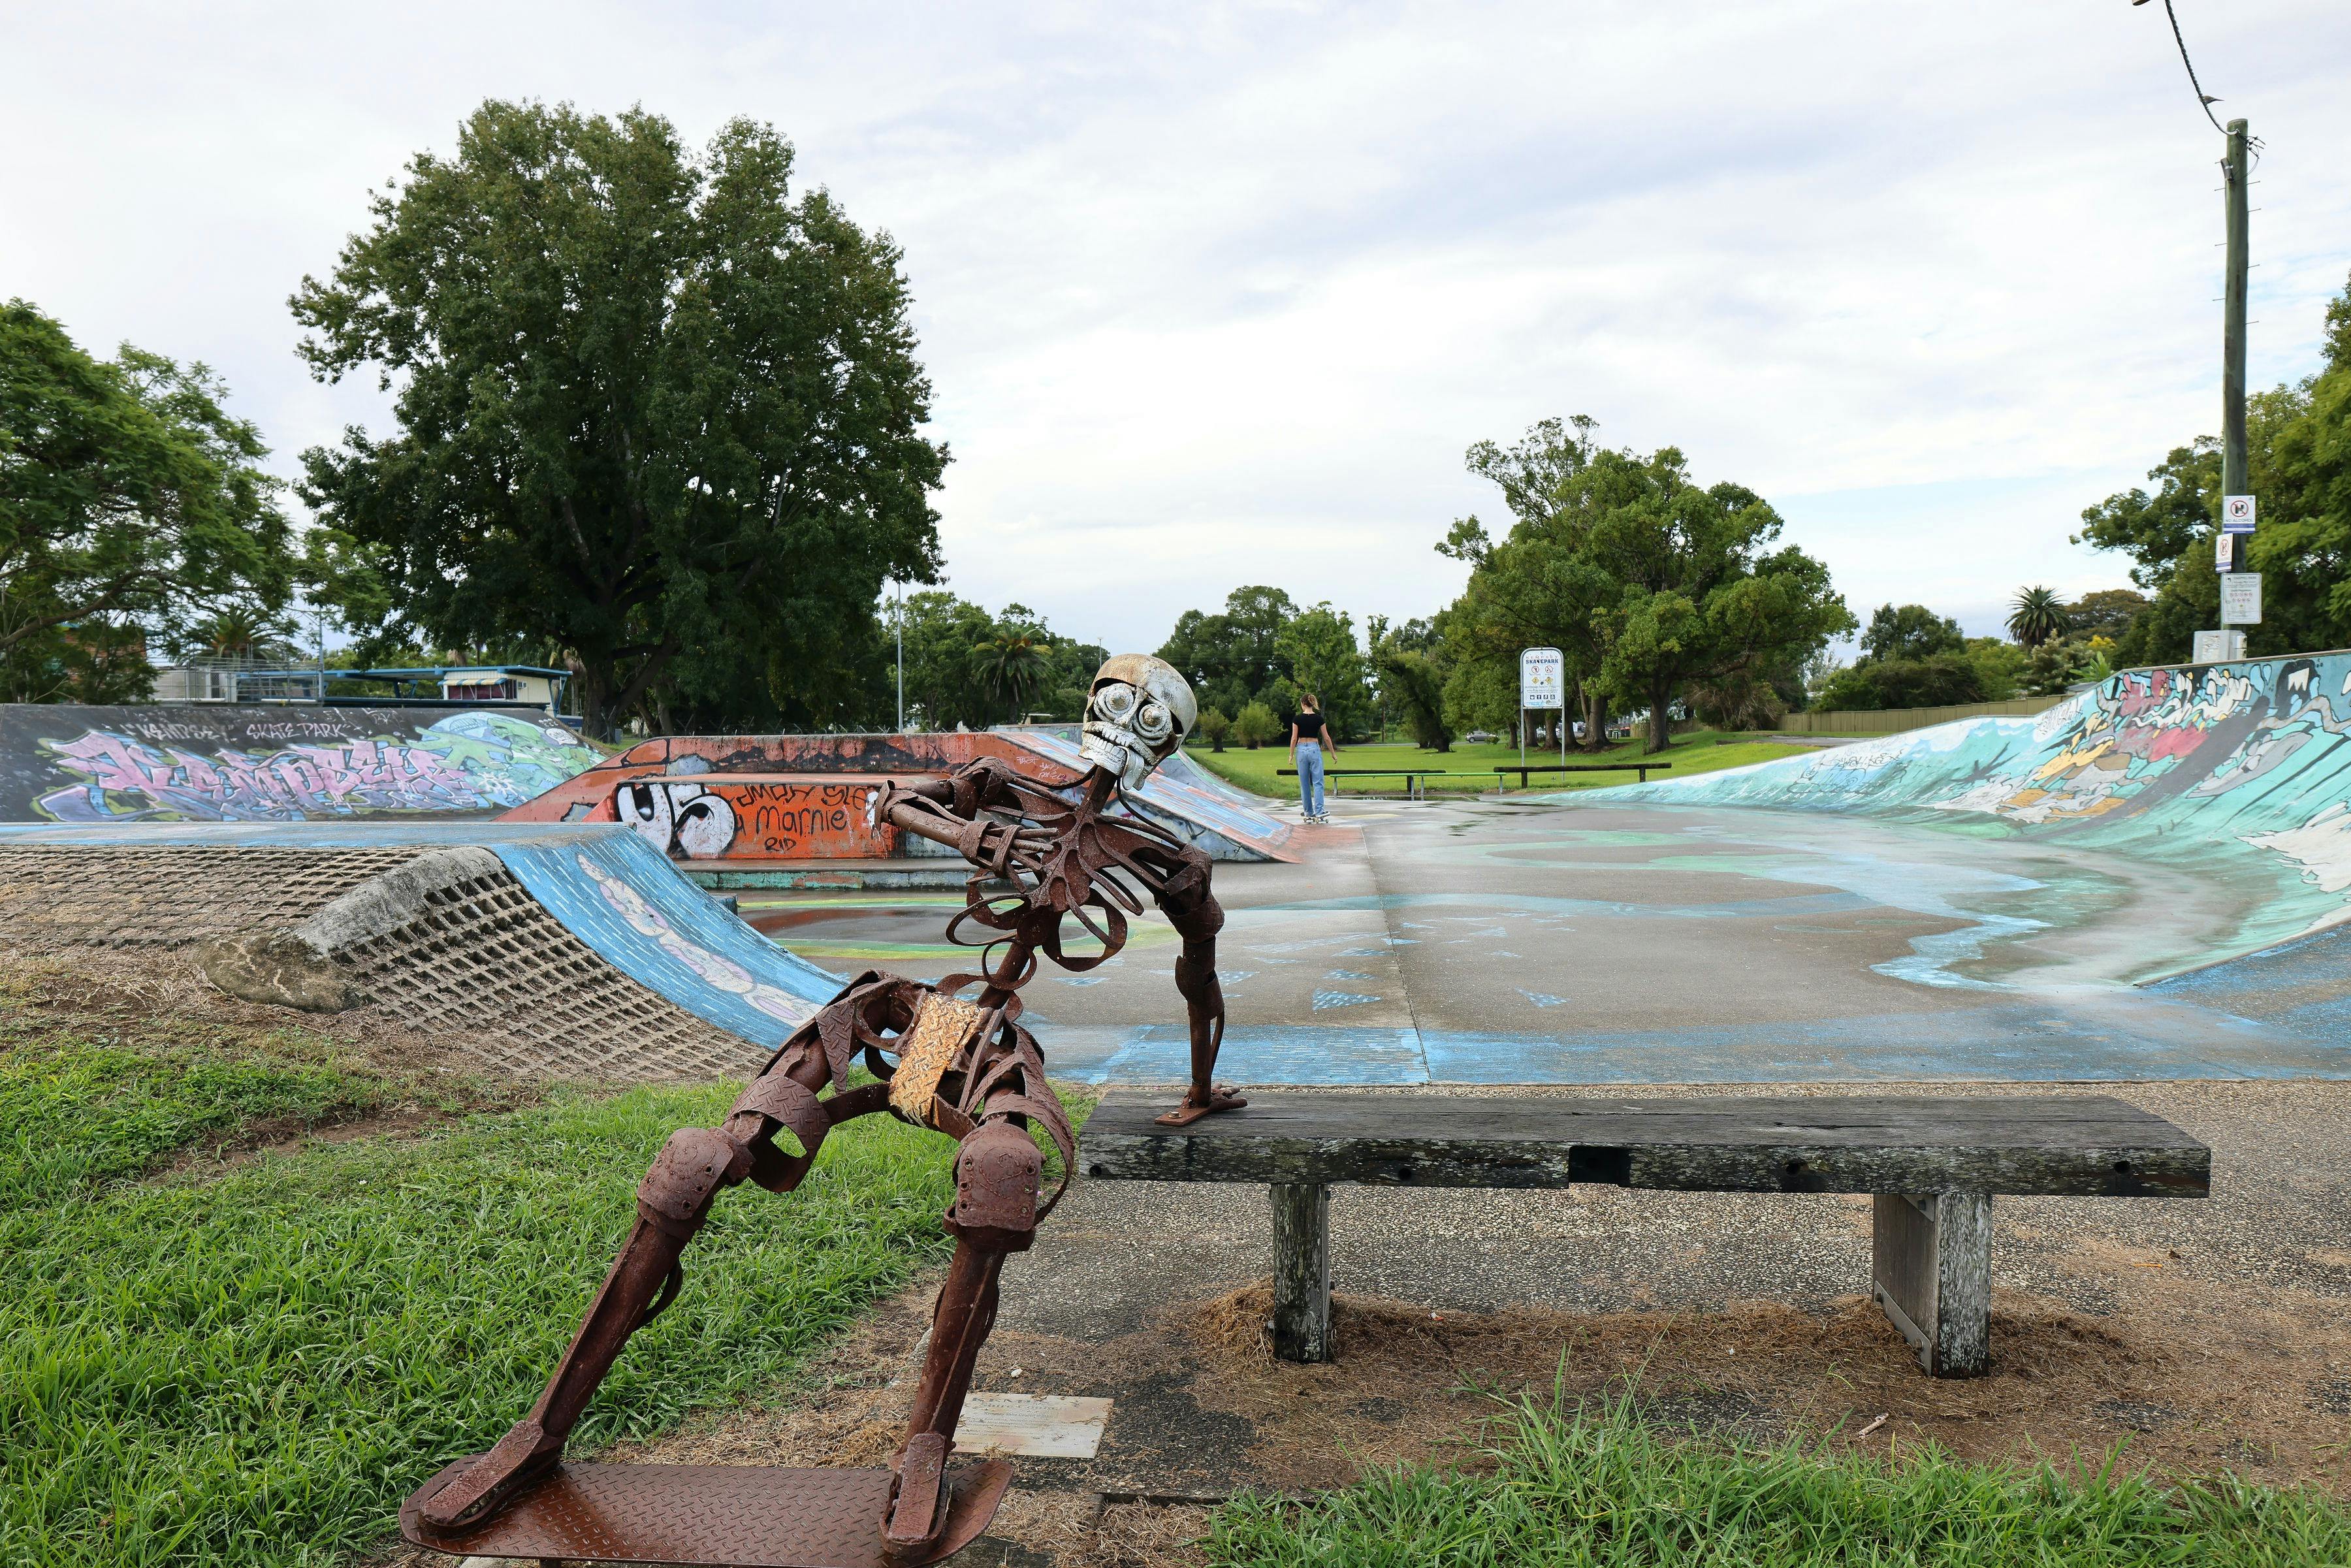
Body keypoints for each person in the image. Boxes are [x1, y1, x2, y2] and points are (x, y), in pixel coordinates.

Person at [1288, 693, 1339, 823]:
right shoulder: (1319, 719)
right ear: (1312, 703)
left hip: (1301, 749)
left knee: (1304, 783)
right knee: (1318, 782)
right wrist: (1333, 753)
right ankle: (1320, 811)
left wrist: (1291, 755)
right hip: (1314, 749)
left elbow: (1294, 738)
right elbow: (1326, 737)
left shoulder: (1297, 719)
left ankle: (1308, 811)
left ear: (1303, 704)